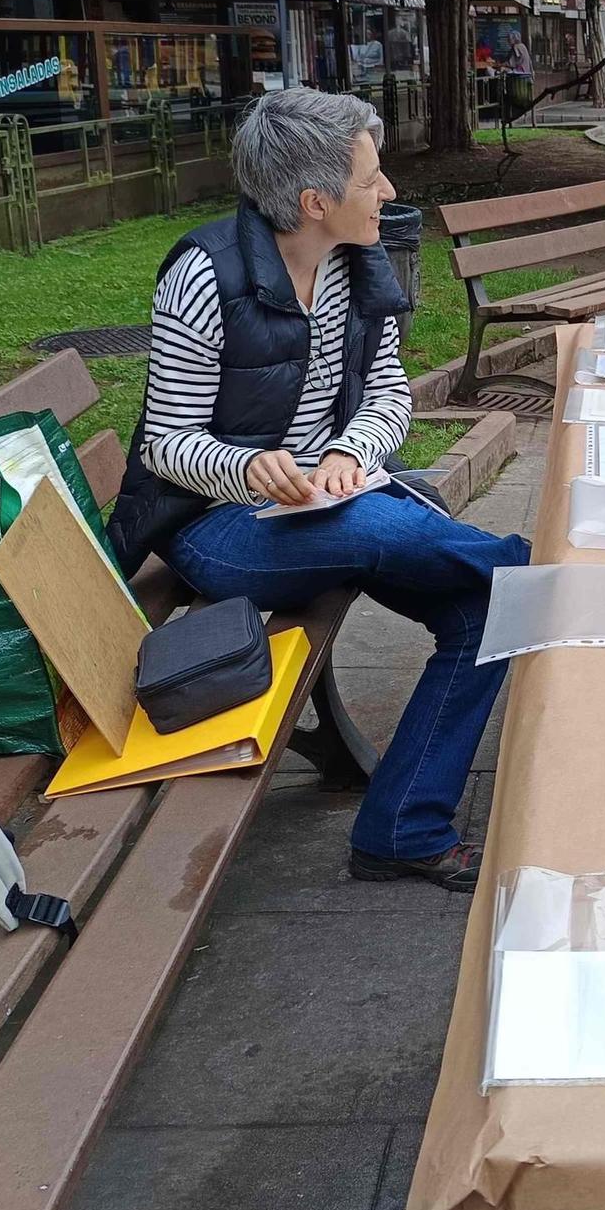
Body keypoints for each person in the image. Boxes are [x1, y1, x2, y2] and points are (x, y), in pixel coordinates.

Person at [107, 89, 531, 891]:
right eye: (372, 178)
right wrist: (247, 467)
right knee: (386, 526)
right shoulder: (203, 276)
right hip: (217, 526)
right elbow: (165, 444)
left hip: (328, 503)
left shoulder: (357, 265)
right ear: (314, 202)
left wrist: (345, 452)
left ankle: (402, 830)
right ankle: (537, 566)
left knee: (485, 611)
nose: (390, 193)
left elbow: (390, 396)